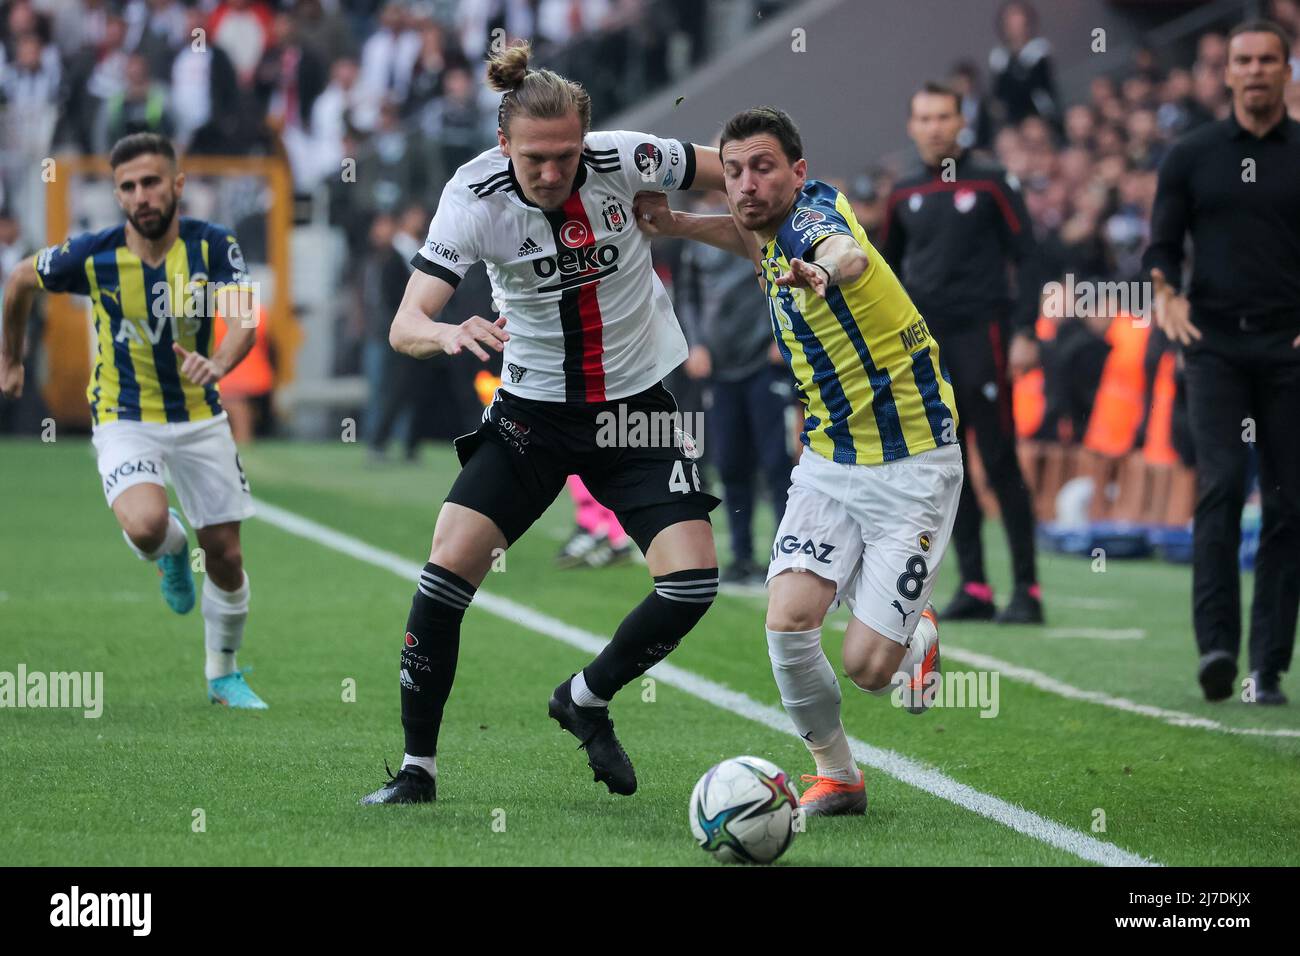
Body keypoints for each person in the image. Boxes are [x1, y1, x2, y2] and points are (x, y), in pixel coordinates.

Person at [360, 42, 725, 806]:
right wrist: (448, 333)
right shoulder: (474, 194)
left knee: (692, 584)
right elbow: (404, 322)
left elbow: (736, 167)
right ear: (503, 145)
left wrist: (780, 204)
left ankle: (585, 698)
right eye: (535, 159)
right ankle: (418, 770)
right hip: (532, 413)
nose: (553, 172)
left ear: (585, 140)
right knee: (446, 568)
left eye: (565, 156)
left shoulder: (629, 159)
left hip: (635, 408)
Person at [635, 106, 962, 816]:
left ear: (799, 173)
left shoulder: (814, 221)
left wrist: (828, 268)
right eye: (735, 171)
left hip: (914, 464)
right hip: (828, 460)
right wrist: (681, 225)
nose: (747, 184)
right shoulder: (763, 229)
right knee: (786, 622)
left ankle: (913, 639)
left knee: (869, 670)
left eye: (764, 167)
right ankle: (837, 775)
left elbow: (844, 252)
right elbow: (751, 243)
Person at [0, 132, 267, 708]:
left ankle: (223, 673)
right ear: (118, 195)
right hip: (123, 415)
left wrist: (217, 362)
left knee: (225, 555)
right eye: (127, 186)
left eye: (150, 182)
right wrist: (10, 357)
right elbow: (20, 279)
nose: (140, 196)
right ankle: (170, 550)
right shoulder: (92, 254)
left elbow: (245, 317)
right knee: (147, 525)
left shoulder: (213, 245)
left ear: (176, 185)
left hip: (199, 414)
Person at [1144, 19, 1300, 706]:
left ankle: (1267, 668)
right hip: (1214, 348)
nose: (1257, 70)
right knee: (1222, 485)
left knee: (1290, 505)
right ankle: (1216, 649)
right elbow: (1159, 246)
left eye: (1269, 59)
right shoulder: (1192, 154)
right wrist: (1165, 293)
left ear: (1286, 69)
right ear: (1228, 71)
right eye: (1245, 60)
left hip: (1290, 348)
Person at [881, 82, 1044, 624]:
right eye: (923, 117)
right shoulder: (902, 192)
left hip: (986, 336)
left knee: (998, 458)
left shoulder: (993, 181)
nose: (933, 126)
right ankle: (974, 585)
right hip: (927, 348)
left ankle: (1028, 588)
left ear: (960, 121)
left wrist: (1026, 331)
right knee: (948, 467)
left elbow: (1032, 257)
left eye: (943, 116)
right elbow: (885, 275)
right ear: (910, 125)